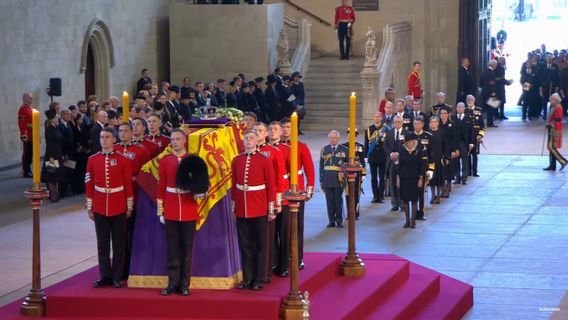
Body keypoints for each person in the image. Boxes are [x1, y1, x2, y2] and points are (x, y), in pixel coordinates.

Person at [85, 127, 134, 288]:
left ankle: (117, 276)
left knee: (118, 244)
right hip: (100, 206)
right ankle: (104, 275)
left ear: (114, 139)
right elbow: (89, 184)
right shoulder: (92, 159)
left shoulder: (123, 159)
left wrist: (129, 206)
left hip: (118, 205)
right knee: (102, 243)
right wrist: (90, 207)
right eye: (101, 137)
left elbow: (128, 184)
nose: (104, 140)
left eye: (107, 137)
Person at [157, 130, 202, 296]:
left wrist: (200, 191)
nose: (174, 142)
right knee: (172, 249)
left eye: (177, 139)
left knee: (187, 249)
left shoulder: (192, 160)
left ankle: (184, 284)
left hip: (188, 207)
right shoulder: (165, 161)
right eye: (172, 139)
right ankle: (172, 283)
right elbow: (161, 187)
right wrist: (161, 210)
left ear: (184, 141)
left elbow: (201, 183)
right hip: (171, 208)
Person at [231, 130, 276, 291]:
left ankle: (259, 278)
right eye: (246, 138)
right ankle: (247, 277)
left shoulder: (264, 160)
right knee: (245, 245)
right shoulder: (237, 160)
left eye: (251, 138)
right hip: (242, 209)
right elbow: (234, 186)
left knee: (260, 245)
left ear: (257, 141)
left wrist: (271, 208)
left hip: (259, 207)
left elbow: (271, 185)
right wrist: (234, 209)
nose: (248, 141)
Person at [114, 123, 151, 279]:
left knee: (133, 234)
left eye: (126, 131)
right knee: (118, 235)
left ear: (132, 133)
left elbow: (147, 173)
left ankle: (134, 267)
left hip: (135, 195)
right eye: (120, 131)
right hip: (117, 196)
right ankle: (120, 269)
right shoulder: (113, 150)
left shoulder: (140, 151)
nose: (123, 134)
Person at [280, 117, 314, 269]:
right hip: (280, 191)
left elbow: (309, 169)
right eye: (284, 127)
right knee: (282, 227)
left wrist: (309, 190)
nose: (286, 130)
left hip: (297, 190)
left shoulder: (301, 146)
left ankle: (297, 257)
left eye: (289, 127)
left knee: (297, 226)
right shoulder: (276, 146)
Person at [255, 122, 285, 281]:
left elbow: (279, 179)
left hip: (269, 198)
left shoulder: (273, 152)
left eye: (260, 131)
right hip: (253, 199)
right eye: (255, 131)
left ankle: (267, 269)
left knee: (267, 238)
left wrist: (277, 202)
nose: (257, 133)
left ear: (266, 133)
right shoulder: (247, 152)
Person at [267, 121, 291, 277]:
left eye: (275, 129)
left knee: (283, 233)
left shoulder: (286, 150)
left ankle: (283, 265)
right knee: (270, 234)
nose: (272, 132)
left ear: (281, 132)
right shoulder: (262, 150)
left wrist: (282, 197)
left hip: (282, 197)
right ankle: (273, 262)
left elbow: (285, 175)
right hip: (267, 197)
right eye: (270, 129)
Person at [320, 130, 348, 228]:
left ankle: (339, 221)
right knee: (329, 202)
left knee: (337, 201)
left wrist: (344, 173)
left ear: (338, 138)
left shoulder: (344, 149)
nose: (332, 140)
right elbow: (321, 166)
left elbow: (347, 165)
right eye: (331, 138)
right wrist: (321, 179)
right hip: (327, 178)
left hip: (338, 179)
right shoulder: (325, 149)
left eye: (334, 138)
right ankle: (331, 221)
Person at [396, 132, 424, 229]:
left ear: (414, 142)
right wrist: (398, 178)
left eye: (411, 141)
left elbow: (421, 166)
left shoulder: (418, 151)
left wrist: (420, 179)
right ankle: (407, 221)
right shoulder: (402, 151)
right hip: (404, 178)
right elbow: (399, 166)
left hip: (415, 178)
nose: (410, 143)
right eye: (408, 142)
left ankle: (413, 221)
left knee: (414, 200)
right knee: (405, 200)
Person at [41, 110, 65, 202]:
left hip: (58, 154)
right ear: (51, 120)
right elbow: (49, 144)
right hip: (51, 155)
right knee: (51, 176)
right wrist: (51, 158)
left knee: (56, 176)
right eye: (56, 117)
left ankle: (56, 194)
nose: (57, 119)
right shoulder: (49, 130)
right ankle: (53, 196)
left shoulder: (56, 127)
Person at [342, 128, 366, 219]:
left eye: (353, 134)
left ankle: (355, 212)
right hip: (347, 173)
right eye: (349, 134)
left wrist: (363, 174)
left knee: (356, 194)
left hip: (358, 173)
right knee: (348, 194)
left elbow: (362, 161)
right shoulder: (343, 147)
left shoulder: (360, 146)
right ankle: (349, 213)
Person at [365, 111, 388, 203]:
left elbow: (387, 142)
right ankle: (375, 196)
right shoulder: (369, 129)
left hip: (383, 156)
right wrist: (366, 155)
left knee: (382, 178)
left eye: (379, 116)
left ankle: (381, 196)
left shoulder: (386, 129)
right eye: (375, 116)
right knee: (373, 178)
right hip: (373, 156)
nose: (377, 118)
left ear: (381, 118)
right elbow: (366, 144)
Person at [413, 117, 433, 221]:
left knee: (421, 192)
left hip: (423, 167)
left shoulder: (428, 136)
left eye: (418, 124)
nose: (416, 126)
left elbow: (431, 154)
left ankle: (421, 212)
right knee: (413, 192)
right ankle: (413, 212)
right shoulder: (409, 136)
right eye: (415, 124)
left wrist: (431, 169)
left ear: (422, 124)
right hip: (412, 168)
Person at [383, 116, 405, 211]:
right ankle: (394, 203)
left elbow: (408, 145)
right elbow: (385, 145)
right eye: (395, 122)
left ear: (402, 123)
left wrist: (399, 154)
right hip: (391, 160)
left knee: (402, 183)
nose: (397, 123)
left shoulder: (406, 133)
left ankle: (402, 202)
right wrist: (391, 153)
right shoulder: (389, 132)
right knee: (392, 182)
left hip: (402, 161)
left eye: (399, 122)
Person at [543, 93, 567, 171]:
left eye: (551, 99)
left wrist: (550, 124)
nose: (550, 101)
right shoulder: (553, 107)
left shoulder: (558, 107)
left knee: (551, 147)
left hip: (555, 129)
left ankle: (563, 161)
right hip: (551, 128)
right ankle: (552, 165)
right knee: (551, 147)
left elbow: (558, 120)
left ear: (555, 100)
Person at [452, 103, 474, 185]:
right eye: (458, 107)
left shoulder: (468, 118)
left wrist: (471, 143)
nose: (459, 108)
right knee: (456, 161)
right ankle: (457, 177)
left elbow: (472, 132)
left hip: (464, 143)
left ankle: (464, 178)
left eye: (461, 107)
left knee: (464, 160)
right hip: (455, 143)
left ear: (464, 108)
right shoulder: (453, 118)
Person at [428, 116, 447, 204]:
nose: (433, 123)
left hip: (439, 158)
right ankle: (432, 195)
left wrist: (446, 157)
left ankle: (438, 196)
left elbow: (445, 146)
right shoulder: (427, 133)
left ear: (438, 123)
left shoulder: (442, 133)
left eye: (435, 122)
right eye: (432, 122)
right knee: (431, 178)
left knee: (439, 178)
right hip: (430, 159)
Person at [438, 106, 456, 198]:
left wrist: (453, 150)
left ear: (448, 114)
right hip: (440, 149)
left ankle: (448, 185)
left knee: (449, 168)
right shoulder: (438, 124)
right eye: (441, 113)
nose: (443, 115)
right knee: (441, 169)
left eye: (445, 113)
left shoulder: (452, 124)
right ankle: (442, 187)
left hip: (449, 149)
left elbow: (454, 139)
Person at [465, 95, 484, 177]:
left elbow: (482, 125)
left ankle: (475, 171)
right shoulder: (465, 111)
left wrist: (480, 135)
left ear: (474, 100)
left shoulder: (479, 110)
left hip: (476, 136)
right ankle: (468, 171)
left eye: (471, 99)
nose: (470, 101)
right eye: (468, 100)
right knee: (467, 154)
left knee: (475, 154)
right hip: (467, 136)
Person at [18, 93, 34, 178]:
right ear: (24, 99)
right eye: (29, 98)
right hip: (27, 135)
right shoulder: (23, 109)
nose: (31, 99)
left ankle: (28, 169)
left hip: (32, 135)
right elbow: (22, 124)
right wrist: (24, 135)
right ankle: (25, 171)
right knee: (26, 154)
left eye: (31, 98)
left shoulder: (29, 108)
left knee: (30, 154)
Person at [479, 60, 499, 127]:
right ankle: (490, 123)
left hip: (484, 93)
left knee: (484, 108)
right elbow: (492, 85)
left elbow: (480, 83)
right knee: (491, 108)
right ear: (494, 65)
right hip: (491, 93)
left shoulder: (484, 72)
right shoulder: (492, 73)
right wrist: (494, 94)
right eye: (496, 65)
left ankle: (478, 121)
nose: (496, 66)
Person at [541, 53, 559, 120]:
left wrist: (557, 87)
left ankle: (551, 114)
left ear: (552, 58)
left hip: (553, 86)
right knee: (544, 101)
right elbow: (540, 77)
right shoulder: (543, 66)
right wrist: (540, 87)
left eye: (550, 57)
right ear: (546, 59)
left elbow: (557, 77)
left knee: (552, 101)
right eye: (548, 57)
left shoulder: (555, 66)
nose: (549, 59)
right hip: (544, 86)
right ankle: (544, 114)